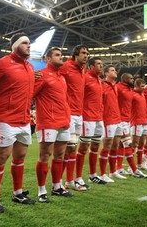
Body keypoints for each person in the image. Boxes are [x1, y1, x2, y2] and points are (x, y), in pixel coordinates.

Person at [0, 32, 36, 212]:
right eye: (25, 43)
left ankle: (18, 193)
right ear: (15, 46)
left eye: (29, 43)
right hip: (6, 118)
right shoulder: (2, 64)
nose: (28, 46)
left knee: (20, 157)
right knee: (1, 158)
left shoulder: (30, 67)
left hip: (24, 119)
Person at [34, 48, 72, 201]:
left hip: (63, 121)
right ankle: (41, 191)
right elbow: (30, 93)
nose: (61, 57)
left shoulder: (61, 77)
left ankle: (57, 186)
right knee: (45, 155)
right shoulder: (41, 75)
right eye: (57, 55)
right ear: (48, 58)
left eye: (61, 55)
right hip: (48, 121)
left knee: (60, 156)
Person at [60, 44, 89, 191]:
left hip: (79, 113)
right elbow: (51, 72)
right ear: (75, 55)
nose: (86, 55)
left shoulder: (82, 70)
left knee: (73, 147)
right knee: (69, 148)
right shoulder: (65, 67)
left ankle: (70, 181)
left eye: (87, 53)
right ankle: (59, 182)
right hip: (69, 113)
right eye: (83, 53)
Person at [78, 57, 107, 185]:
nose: (101, 66)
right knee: (83, 147)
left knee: (95, 146)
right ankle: (78, 177)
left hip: (98, 117)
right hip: (87, 116)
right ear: (91, 66)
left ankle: (92, 175)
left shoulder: (99, 80)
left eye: (102, 63)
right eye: (98, 64)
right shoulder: (84, 77)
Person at [116, 73, 147, 178]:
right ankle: (134, 170)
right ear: (125, 79)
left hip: (126, 120)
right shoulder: (118, 87)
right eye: (131, 78)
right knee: (128, 144)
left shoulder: (130, 91)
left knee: (120, 145)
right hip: (120, 120)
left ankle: (119, 168)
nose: (133, 80)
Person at [100, 65, 126, 182]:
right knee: (107, 146)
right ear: (106, 73)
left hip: (118, 119)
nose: (115, 71)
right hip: (108, 119)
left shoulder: (115, 86)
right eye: (112, 70)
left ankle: (113, 172)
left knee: (115, 146)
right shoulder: (102, 85)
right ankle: (102, 174)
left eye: (115, 70)